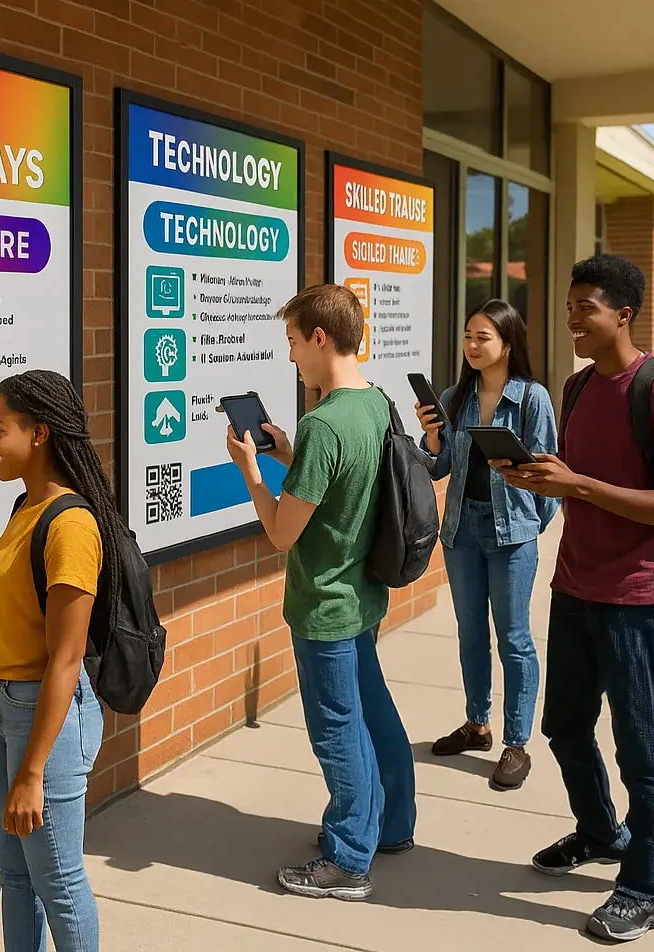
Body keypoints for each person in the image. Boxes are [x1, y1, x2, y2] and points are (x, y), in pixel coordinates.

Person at [498, 255, 654, 943]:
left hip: (635, 596)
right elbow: (576, 481)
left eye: (584, 306)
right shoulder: (578, 387)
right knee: (562, 725)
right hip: (576, 584)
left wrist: (580, 486)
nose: (571, 319)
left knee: (642, 749)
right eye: (568, 304)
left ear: (624, 312)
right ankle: (599, 832)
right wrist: (537, 478)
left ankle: (646, 887)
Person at [226, 283, 416, 902]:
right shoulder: (374, 404)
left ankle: (346, 859)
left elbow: (283, 534)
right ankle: (390, 825)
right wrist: (288, 456)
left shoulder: (325, 422)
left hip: (325, 604)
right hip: (362, 593)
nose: (290, 360)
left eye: (291, 343)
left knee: (337, 729)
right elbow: (341, 493)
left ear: (320, 337)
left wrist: (253, 474)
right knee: (372, 712)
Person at [0, 369, 124, 952]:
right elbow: (6, 627)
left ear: (39, 433)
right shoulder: (26, 508)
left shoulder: (70, 525)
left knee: (59, 882)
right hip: (2, 706)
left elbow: (65, 660)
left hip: (46, 717)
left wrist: (33, 771)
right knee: (15, 875)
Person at [416, 300, 559, 790]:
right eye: (468, 336)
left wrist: (529, 525)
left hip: (511, 535)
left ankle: (516, 744)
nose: (473, 346)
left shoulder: (533, 398)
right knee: (471, 633)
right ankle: (477, 724)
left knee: (514, 639)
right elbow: (439, 467)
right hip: (461, 531)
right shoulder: (456, 396)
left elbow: (548, 473)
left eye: (483, 337)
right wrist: (433, 438)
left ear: (508, 343)